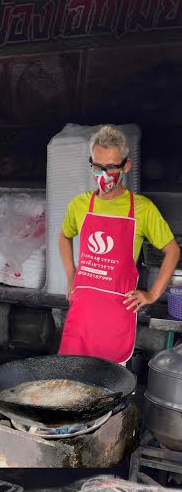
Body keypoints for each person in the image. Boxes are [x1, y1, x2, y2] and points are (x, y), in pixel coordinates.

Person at [59, 125, 181, 364]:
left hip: (115, 317)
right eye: (97, 166)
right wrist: (71, 274)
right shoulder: (79, 204)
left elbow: (172, 250)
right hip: (82, 312)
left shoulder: (142, 209)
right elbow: (64, 236)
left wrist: (153, 294)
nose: (103, 174)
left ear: (126, 165)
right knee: (69, 381)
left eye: (111, 167)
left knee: (108, 388)